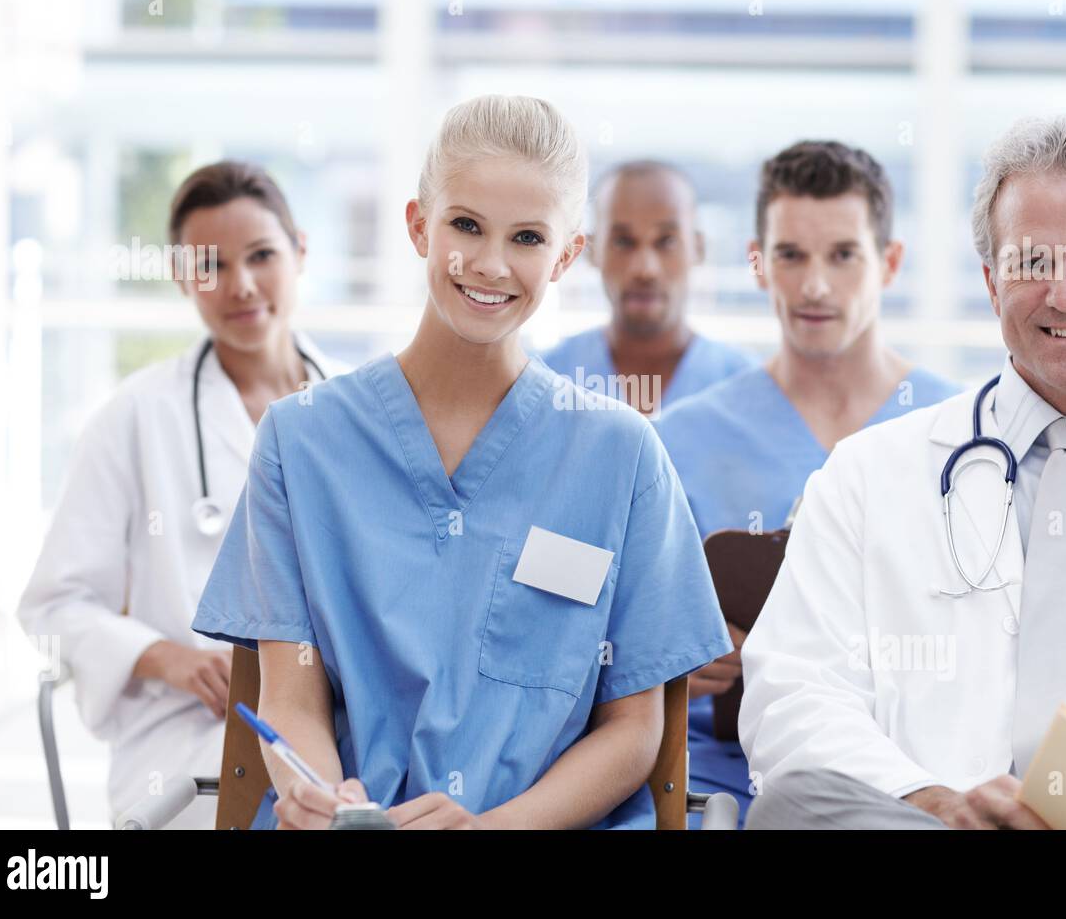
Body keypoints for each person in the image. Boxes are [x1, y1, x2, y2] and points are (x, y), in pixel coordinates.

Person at [191, 95, 732, 830]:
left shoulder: (621, 456)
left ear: (568, 254)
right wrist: (318, 793)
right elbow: (291, 697)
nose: (489, 264)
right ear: (419, 225)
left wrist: (492, 830)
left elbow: (636, 733)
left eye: (528, 238)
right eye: (466, 225)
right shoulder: (301, 440)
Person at [739, 115, 1066, 829]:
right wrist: (935, 801)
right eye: (1033, 264)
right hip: (935, 830)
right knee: (791, 805)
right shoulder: (866, 477)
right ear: (990, 283)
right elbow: (791, 698)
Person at [18, 161, 345, 828]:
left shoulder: (357, 412)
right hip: (187, 735)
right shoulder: (135, 416)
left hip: (341, 726)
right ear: (179, 276)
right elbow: (54, 603)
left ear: (300, 252)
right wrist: (167, 659)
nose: (241, 285)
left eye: (261, 256)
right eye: (210, 265)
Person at [653, 140, 960, 826]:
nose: (815, 285)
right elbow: (615, 651)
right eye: (790, 255)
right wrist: (674, 665)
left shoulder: (964, 434)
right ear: (759, 265)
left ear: (889, 262)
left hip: (915, 779)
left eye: (843, 255)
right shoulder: (679, 443)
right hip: (720, 782)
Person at [539, 161, 754, 416]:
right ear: (592, 250)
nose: (645, 270)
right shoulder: (543, 383)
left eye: (667, 241)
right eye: (623, 242)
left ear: (698, 249)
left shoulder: (749, 390)